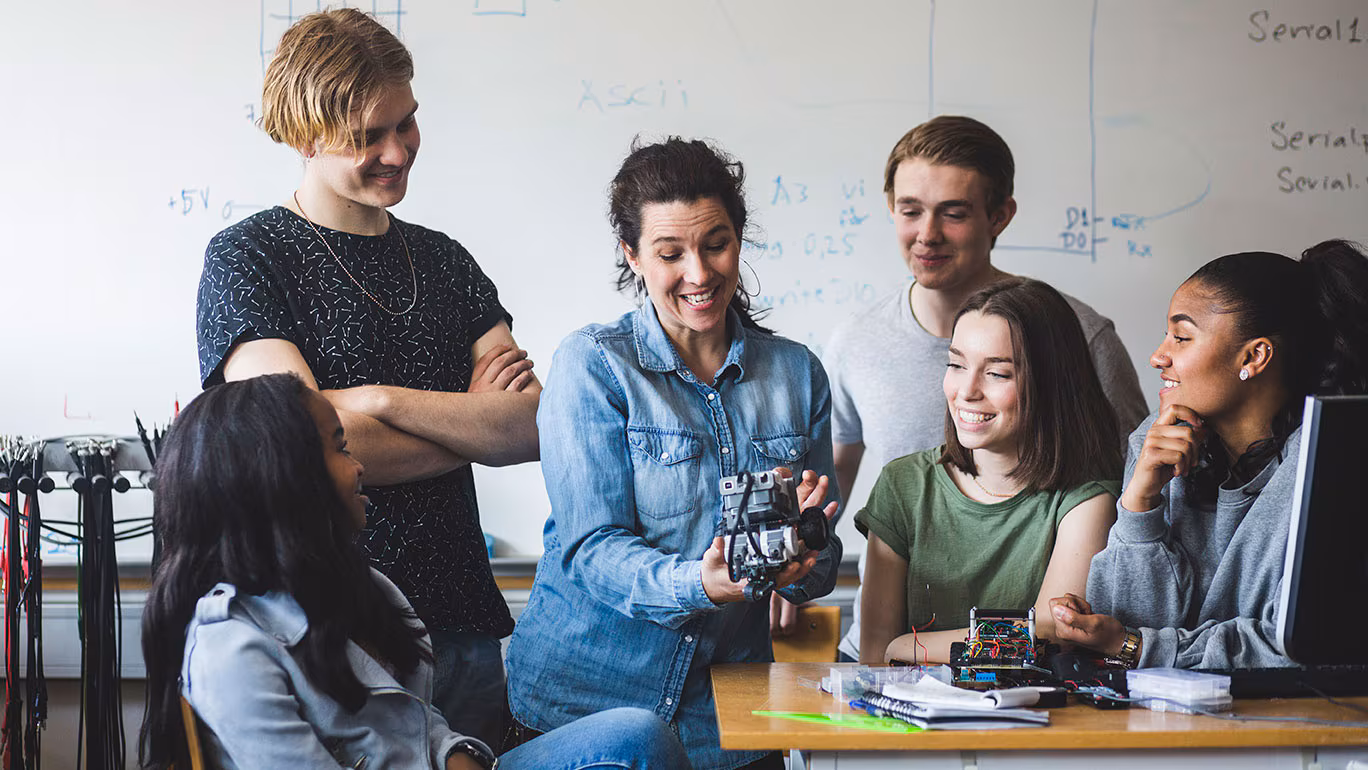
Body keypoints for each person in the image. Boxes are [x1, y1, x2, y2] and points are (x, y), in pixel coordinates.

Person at [194, 9, 537, 744]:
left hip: (462, 620)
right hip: (327, 632)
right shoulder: (249, 259)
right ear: (303, 135)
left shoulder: (446, 261)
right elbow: (295, 443)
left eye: (406, 123)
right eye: (367, 136)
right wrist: (467, 424)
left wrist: (379, 402)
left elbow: (527, 426)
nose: (398, 150)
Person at [138, 374, 689, 770]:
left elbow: (418, 726)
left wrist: (456, 756)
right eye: (339, 449)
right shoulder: (228, 651)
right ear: (282, 477)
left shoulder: (363, 588)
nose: (359, 467)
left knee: (636, 735)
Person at [503, 137, 842, 770]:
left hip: (730, 723)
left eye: (716, 244)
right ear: (631, 255)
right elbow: (591, 550)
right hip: (587, 706)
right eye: (669, 253)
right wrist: (702, 584)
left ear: (739, 237)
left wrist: (806, 553)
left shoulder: (798, 375)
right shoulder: (594, 366)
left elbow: (822, 561)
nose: (699, 273)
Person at [824, 115, 1149, 661]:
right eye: (910, 211)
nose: (927, 235)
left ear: (999, 216)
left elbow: (1131, 493)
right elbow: (833, 475)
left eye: (953, 213)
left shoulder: (1078, 340)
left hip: (1033, 669)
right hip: (887, 665)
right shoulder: (856, 340)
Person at [1051, 240, 1368, 669]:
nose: (1158, 356)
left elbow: (1298, 646)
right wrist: (1140, 504)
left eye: (1181, 337)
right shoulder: (1156, 440)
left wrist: (1140, 647)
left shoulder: (1330, 466)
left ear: (1254, 356)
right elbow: (1122, 622)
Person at [856, 278, 1121, 663]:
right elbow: (876, 657)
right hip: (915, 720)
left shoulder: (1087, 497)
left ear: (1050, 385)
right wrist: (895, 649)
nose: (966, 391)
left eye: (997, 373)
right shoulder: (903, 484)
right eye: (956, 365)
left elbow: (1051, 633)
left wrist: (909, 646)